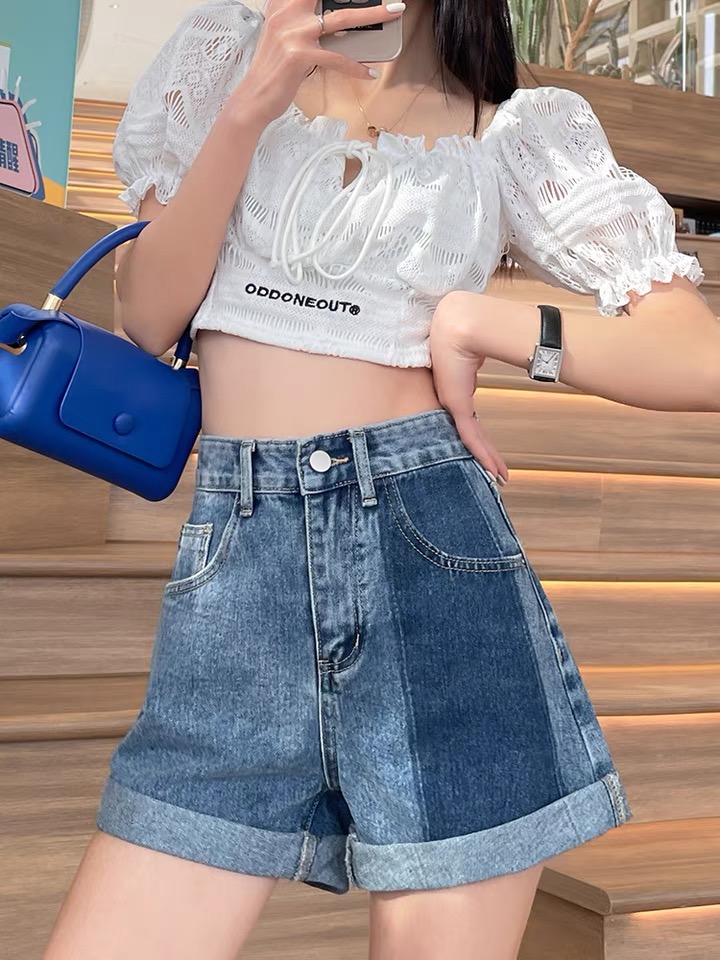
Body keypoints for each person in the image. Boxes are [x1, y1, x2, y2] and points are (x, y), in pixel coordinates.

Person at [43, 0, 717, 958]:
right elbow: (149, 317)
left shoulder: (513, 130)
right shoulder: (225, 54)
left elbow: (697, 356)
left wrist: (486, 324)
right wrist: (250, 106)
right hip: (239, 581)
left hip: (432, 561)